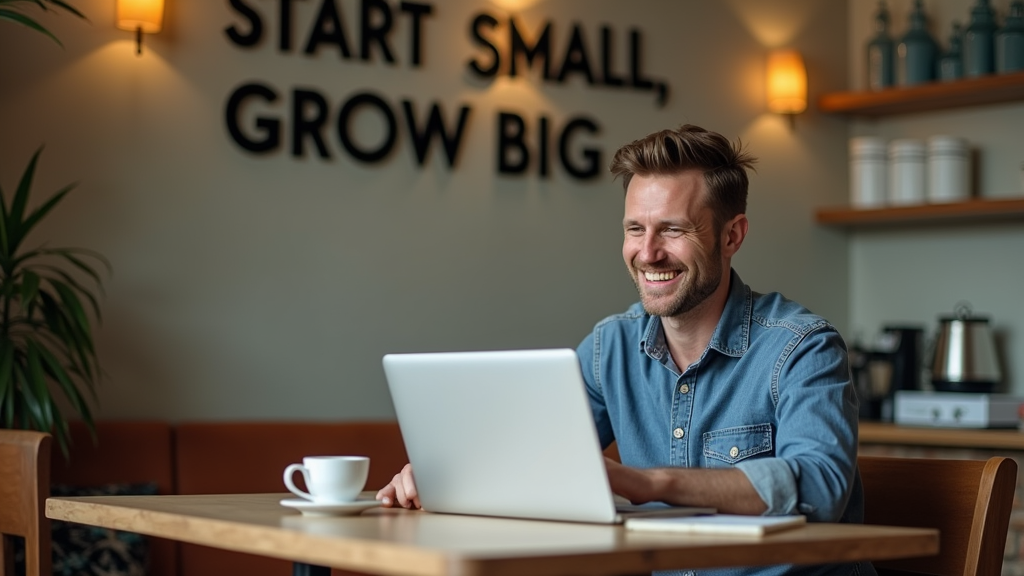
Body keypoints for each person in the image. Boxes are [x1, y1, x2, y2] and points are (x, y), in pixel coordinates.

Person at [377, 124, 872, 576]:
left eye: (673, 230)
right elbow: (530, 459)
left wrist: (649, 484)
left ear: (732, 236)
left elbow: (820, 486)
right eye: (635, 229)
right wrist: (450, 476)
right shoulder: (607, 348)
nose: (648, 252)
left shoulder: (802, 346)